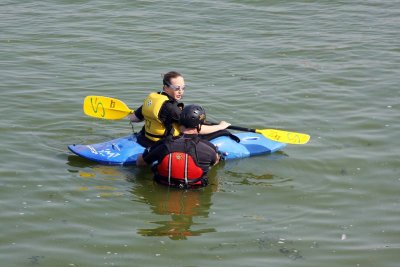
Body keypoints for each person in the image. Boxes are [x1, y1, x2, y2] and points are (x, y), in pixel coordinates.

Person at [128, 71, 231, 147]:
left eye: (183, 88)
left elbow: (133, 118)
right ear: (166, 87)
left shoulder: (152, 99)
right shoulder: (172, 108)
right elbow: (192, 130)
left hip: (145, 139)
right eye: (177, 88)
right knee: (222, 132)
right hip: (162, 143)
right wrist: (220, 126)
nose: (180, 92)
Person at [136, 105, 220, 189]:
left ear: (180, 123)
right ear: (199, 126)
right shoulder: (208, 148)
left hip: (163, 188)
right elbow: (215, 161)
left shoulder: (164, 144)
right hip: (195, 192)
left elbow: (140, 163)